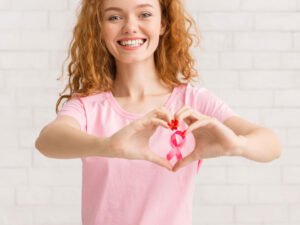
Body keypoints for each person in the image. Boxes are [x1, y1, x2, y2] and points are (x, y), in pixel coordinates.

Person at [35, 0, 282, 224]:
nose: (130, 27)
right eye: (114, 17)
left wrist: (236, 144)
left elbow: (271, 145)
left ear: (163, 23)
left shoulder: (193, 102)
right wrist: (109, 145)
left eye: (144, 14)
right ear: (99, 28)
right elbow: (48, 140)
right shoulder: (88, 106)